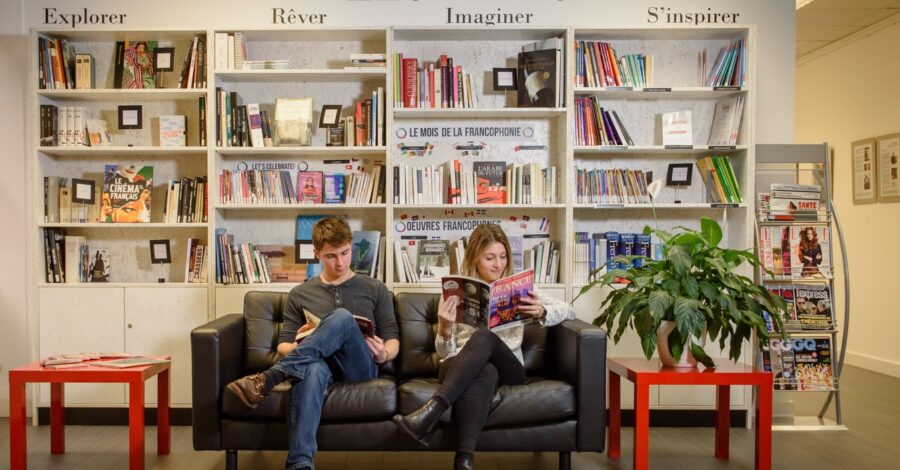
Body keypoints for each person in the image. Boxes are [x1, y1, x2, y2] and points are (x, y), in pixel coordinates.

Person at [392, 223, 574, 470]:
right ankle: (463, 460)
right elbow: (445, 353)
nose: (497, 264)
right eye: (489, 258)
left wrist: (543, 310)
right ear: (475, 258)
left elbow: (568, 310)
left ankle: (431, 411)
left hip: (510, 368)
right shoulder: (456, 292)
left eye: (502, 257)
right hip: (459, 366)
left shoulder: (522, 291)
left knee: (484, 337)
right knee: (485, 371)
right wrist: (445, 328)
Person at [227, 216, 399, 470]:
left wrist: (384, 354)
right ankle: (300, 464)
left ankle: (271, 377)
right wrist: (306, 339)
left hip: (360, 368)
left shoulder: (375, 288)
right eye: (331, 256)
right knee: (311, 368)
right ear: (317, 252)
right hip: (318, 366)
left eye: (345, 253)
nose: (340, 262)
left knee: (341, 318)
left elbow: (393, 336)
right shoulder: (300, 294)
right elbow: (283, 346)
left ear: (351, 246)